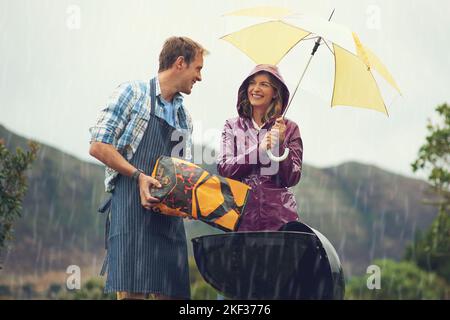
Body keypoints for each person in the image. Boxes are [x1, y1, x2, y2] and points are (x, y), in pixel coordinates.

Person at [89, 36, 207, 300]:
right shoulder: (133, 94)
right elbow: (98, 145)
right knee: (133, 294)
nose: (199, 77)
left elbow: (180, 168)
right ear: (180, 63)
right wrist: (138, 176)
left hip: (167, 218)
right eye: (197, 68)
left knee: (173, 293)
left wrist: (188, 200)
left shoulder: (182, 117)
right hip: (131, 207)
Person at [217, 64, 303, 231]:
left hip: (279, 221)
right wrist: (260, 150)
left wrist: (279, 146)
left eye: (264, 84)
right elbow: (225, 168)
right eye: (252, 83)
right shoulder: (232, 126)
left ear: (275, 93)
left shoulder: (290, 128)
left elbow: (291, 177)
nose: (256, 89)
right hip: (240, 220)